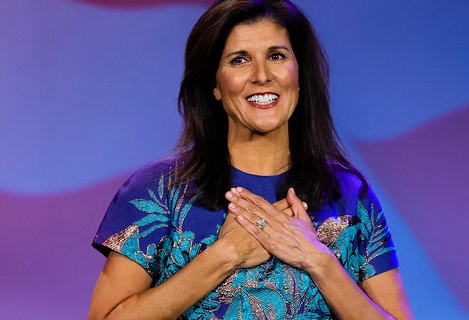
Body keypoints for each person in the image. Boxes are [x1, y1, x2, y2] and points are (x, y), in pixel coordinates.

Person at [88, 0, 414, 319]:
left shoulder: (347, 194)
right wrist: (225, 255)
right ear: (214, 85)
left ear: (300, 74)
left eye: (276, 56)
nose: (261, 75)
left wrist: (318, 260)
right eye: (239, 60)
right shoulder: (160, 190)